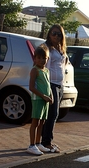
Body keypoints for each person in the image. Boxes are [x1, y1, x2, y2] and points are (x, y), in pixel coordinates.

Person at [40, 24, 68, 153]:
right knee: (53, 114)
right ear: (49, 34)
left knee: (53, 114)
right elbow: (45, 68)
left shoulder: (60, 49)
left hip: (59, 84)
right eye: (54, 33)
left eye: (59, 34)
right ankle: (46, 142)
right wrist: (46, 86)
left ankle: (45, 140)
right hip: (51, 83)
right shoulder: (47, 49)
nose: (56, 36)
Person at [27, 45, 54, 155]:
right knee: (35, 122)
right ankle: (32, 145)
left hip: (45, 101)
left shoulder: (46, 71)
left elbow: (48, 85)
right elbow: (31, 87)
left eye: (44, 58)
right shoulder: (35, 70)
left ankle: (38, 143)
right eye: (39, 58)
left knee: (42, 122)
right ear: (35, 58)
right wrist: (43, 96)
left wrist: (51, 96)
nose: (42, 60)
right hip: (38, 99)